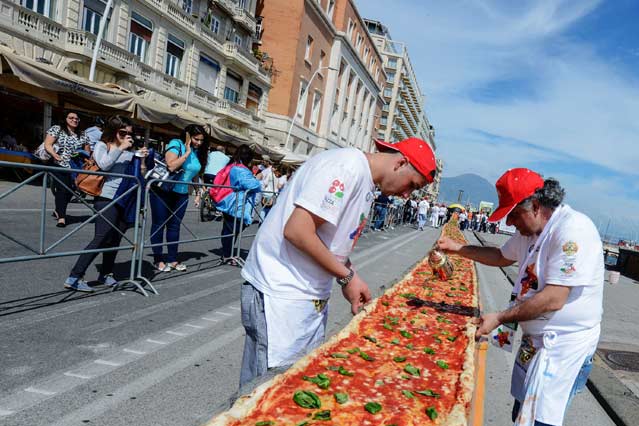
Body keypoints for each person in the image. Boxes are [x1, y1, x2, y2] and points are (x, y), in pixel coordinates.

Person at [436, 168, 604, 426]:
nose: (509, 221)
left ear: (536, 205)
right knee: (520, 417)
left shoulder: (572, 230)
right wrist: (457, 250)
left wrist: (500, 316)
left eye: (514, 213)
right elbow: (499, 257)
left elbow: (552, 298)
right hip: (535, 343)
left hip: (564, 348)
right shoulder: (531, 231)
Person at [239, 136, 437, 387]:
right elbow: (298, 231)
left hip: (305, 296)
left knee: (295, 385)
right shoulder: (347, 167)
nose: (407, 194)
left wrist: (350, 274)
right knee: (264, 392)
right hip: (280, 293)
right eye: (412, 184)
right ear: (400, 163)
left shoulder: (364, 178)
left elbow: (331, 242)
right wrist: (346, 277)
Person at [63, 116, 146, 292]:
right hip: (106, 197)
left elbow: (141, 173)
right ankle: (75, 276)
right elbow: (104, 165)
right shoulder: (103, 145)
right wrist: (121, 148)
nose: (126, 136)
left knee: (114, 239)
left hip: (125, 198)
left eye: (129, 133)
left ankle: (106, 273)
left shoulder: (129, 150)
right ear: (114, 131)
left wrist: (141, 158)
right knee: (101, 237)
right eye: (123, 132)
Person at [149, 124, 207, 273]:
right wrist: (187, 152)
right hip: (164, 190)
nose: (199, 143)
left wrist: (198, 192)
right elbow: (171, 166)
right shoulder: (176, 144)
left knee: (175, 226)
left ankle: (172, 259)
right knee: (159, 224)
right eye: (196, 139)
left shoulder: (197, 151)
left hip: (181, 194)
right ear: (188, 135)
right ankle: (158, 259)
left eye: (201, 140)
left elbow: (194, 173)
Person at [214, 144, 261, 266]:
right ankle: (227, 255)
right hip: (235, 204)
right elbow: (253, 185)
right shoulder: (240, 169)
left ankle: (227, 254)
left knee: (231, 229)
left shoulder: (232, 166)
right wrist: (257, 181)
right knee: (232, 230)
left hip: (230, 202)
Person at [44, 112, 91, 228]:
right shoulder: (57, 129)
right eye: (71, 118)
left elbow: (87, 151)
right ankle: (62, 218)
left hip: (75, 167)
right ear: (65, 119)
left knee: (72, 190)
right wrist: (55, 155)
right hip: (59, 164)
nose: (74, 120)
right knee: (62, 189)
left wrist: (84, 157)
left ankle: (58, 210)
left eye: (76, 118)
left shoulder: (83, 134)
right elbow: (48, 144)